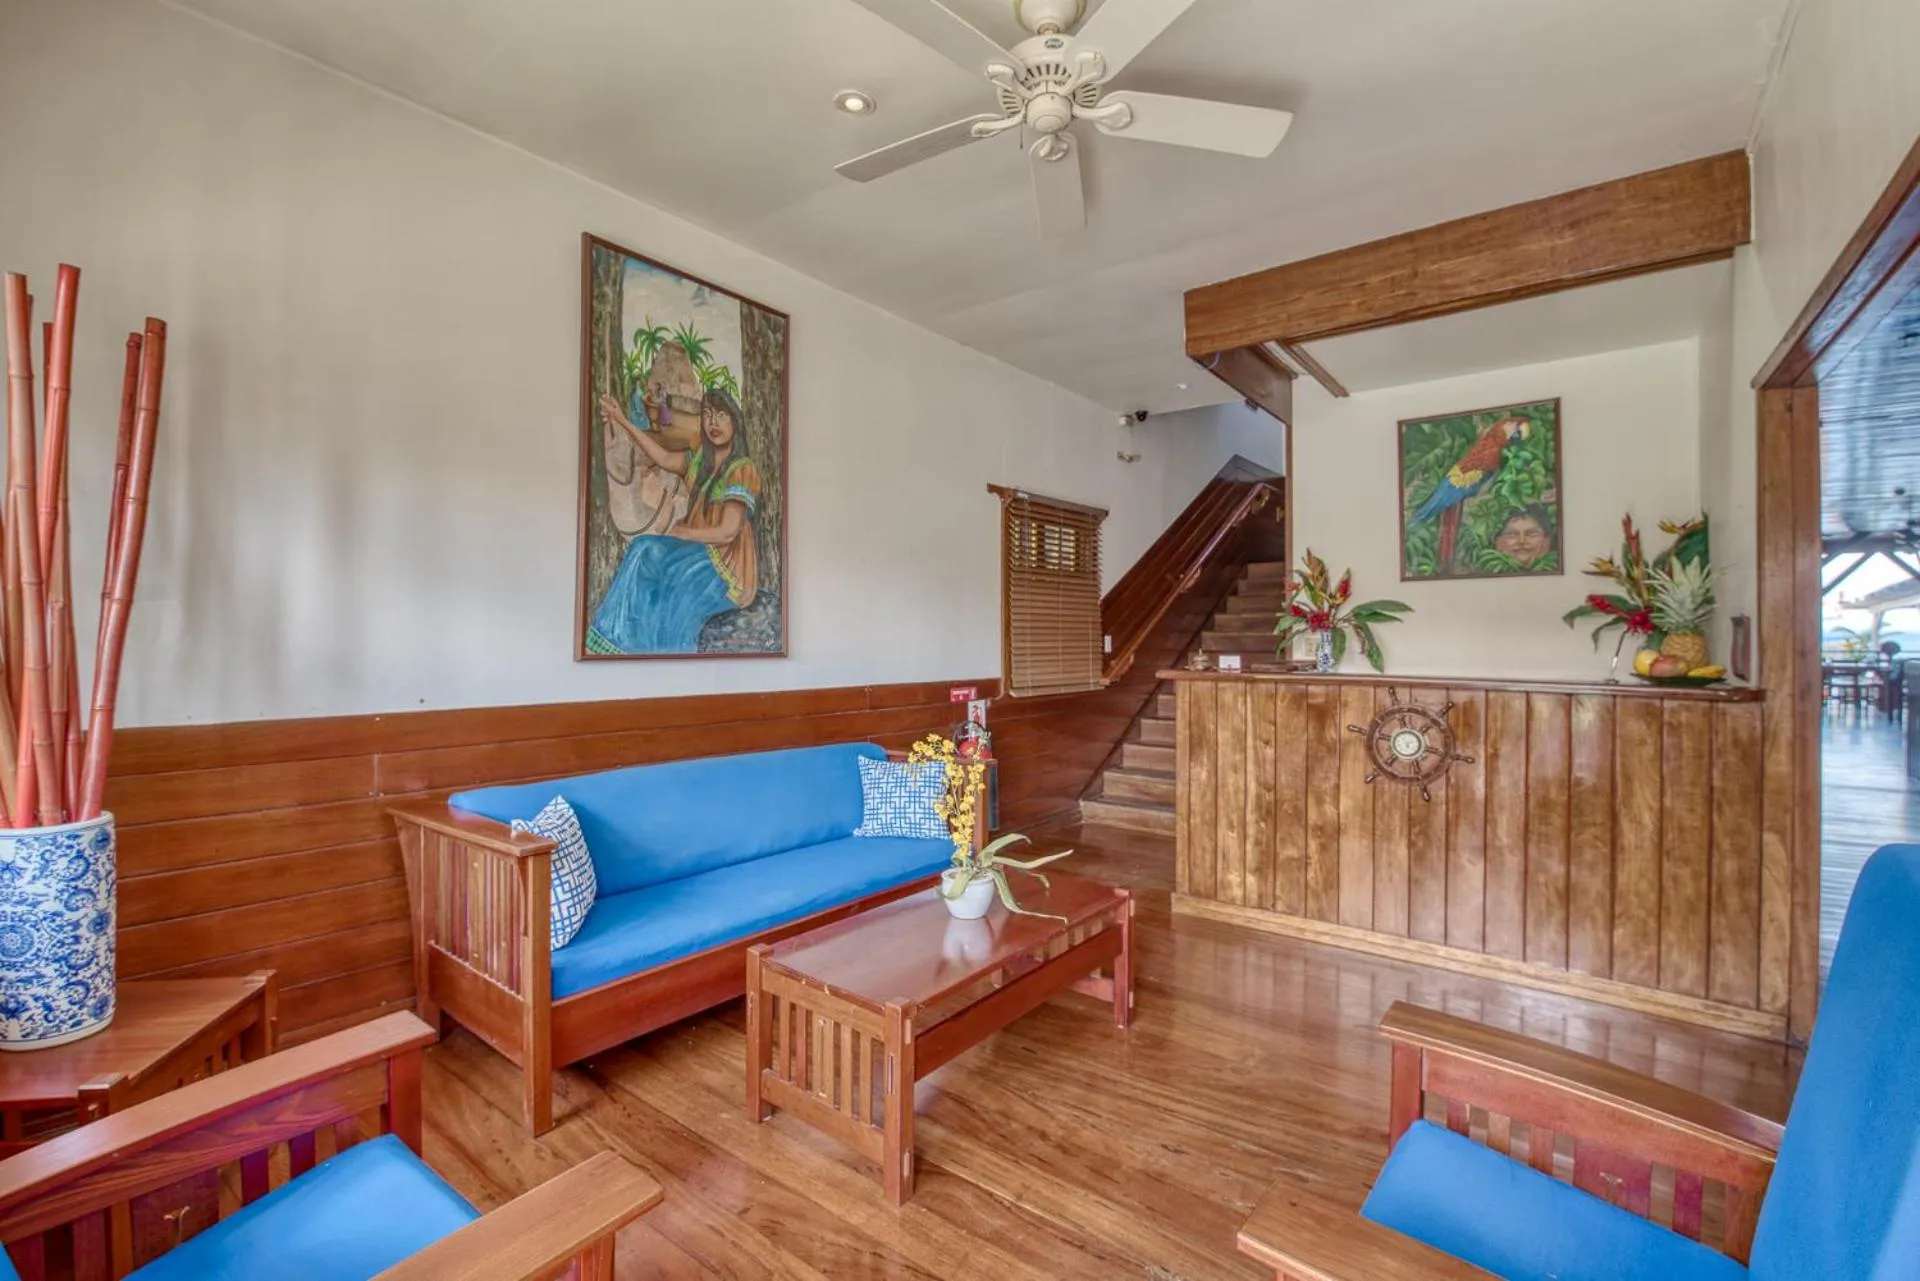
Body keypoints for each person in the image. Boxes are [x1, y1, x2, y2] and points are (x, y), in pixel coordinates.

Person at [587, 386, 761, 653]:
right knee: (641, 548)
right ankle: (612, 642)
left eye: (722, 415)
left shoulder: (742, 469)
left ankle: (655, 651)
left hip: (724, 566)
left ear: (735, 421)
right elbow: (663, 457)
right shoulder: (702, 460)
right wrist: (622, 421)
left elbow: (727, 533)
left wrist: (681, 533)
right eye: (707, 414)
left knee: (667, 574)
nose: (713, 422)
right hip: (696, 551)